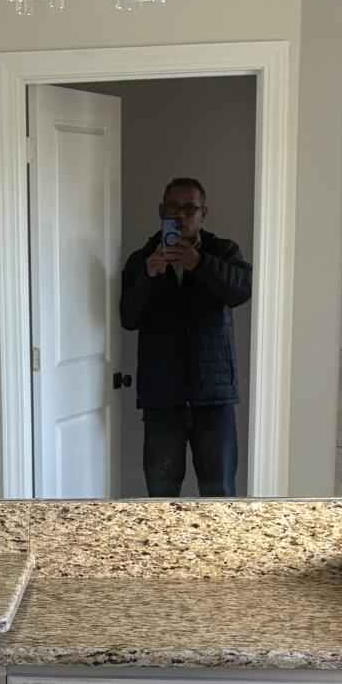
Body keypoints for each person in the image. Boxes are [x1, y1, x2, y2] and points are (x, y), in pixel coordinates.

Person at [119, 176, 253, 497]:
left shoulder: (223, 251)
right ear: (161, 211)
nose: (180, 216)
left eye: (189, 209)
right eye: (172, 208)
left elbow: (241, 291)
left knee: (219, 493)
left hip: (214, 395)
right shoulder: (142, 259)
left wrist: (199, 264)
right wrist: (149, 275)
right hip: (162, 397)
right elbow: (128, 318)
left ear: (203, 213)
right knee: (161, 495)